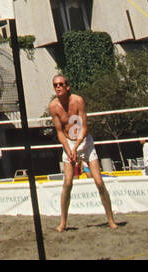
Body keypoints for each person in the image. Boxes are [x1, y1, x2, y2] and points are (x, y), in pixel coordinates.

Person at [49, 72, 117, 233]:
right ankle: (63, 223)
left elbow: (84, 128)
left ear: (67, 86)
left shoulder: (78, 101)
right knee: (67, 183)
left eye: (60, 84)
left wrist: (76, 147)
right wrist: (69, 149)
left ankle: (111, 220)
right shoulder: (53, 106)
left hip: (84, 142)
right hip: (69, 143)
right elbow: (59, 132)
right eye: (55, 85)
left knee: (99, 182)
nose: (58, 87)